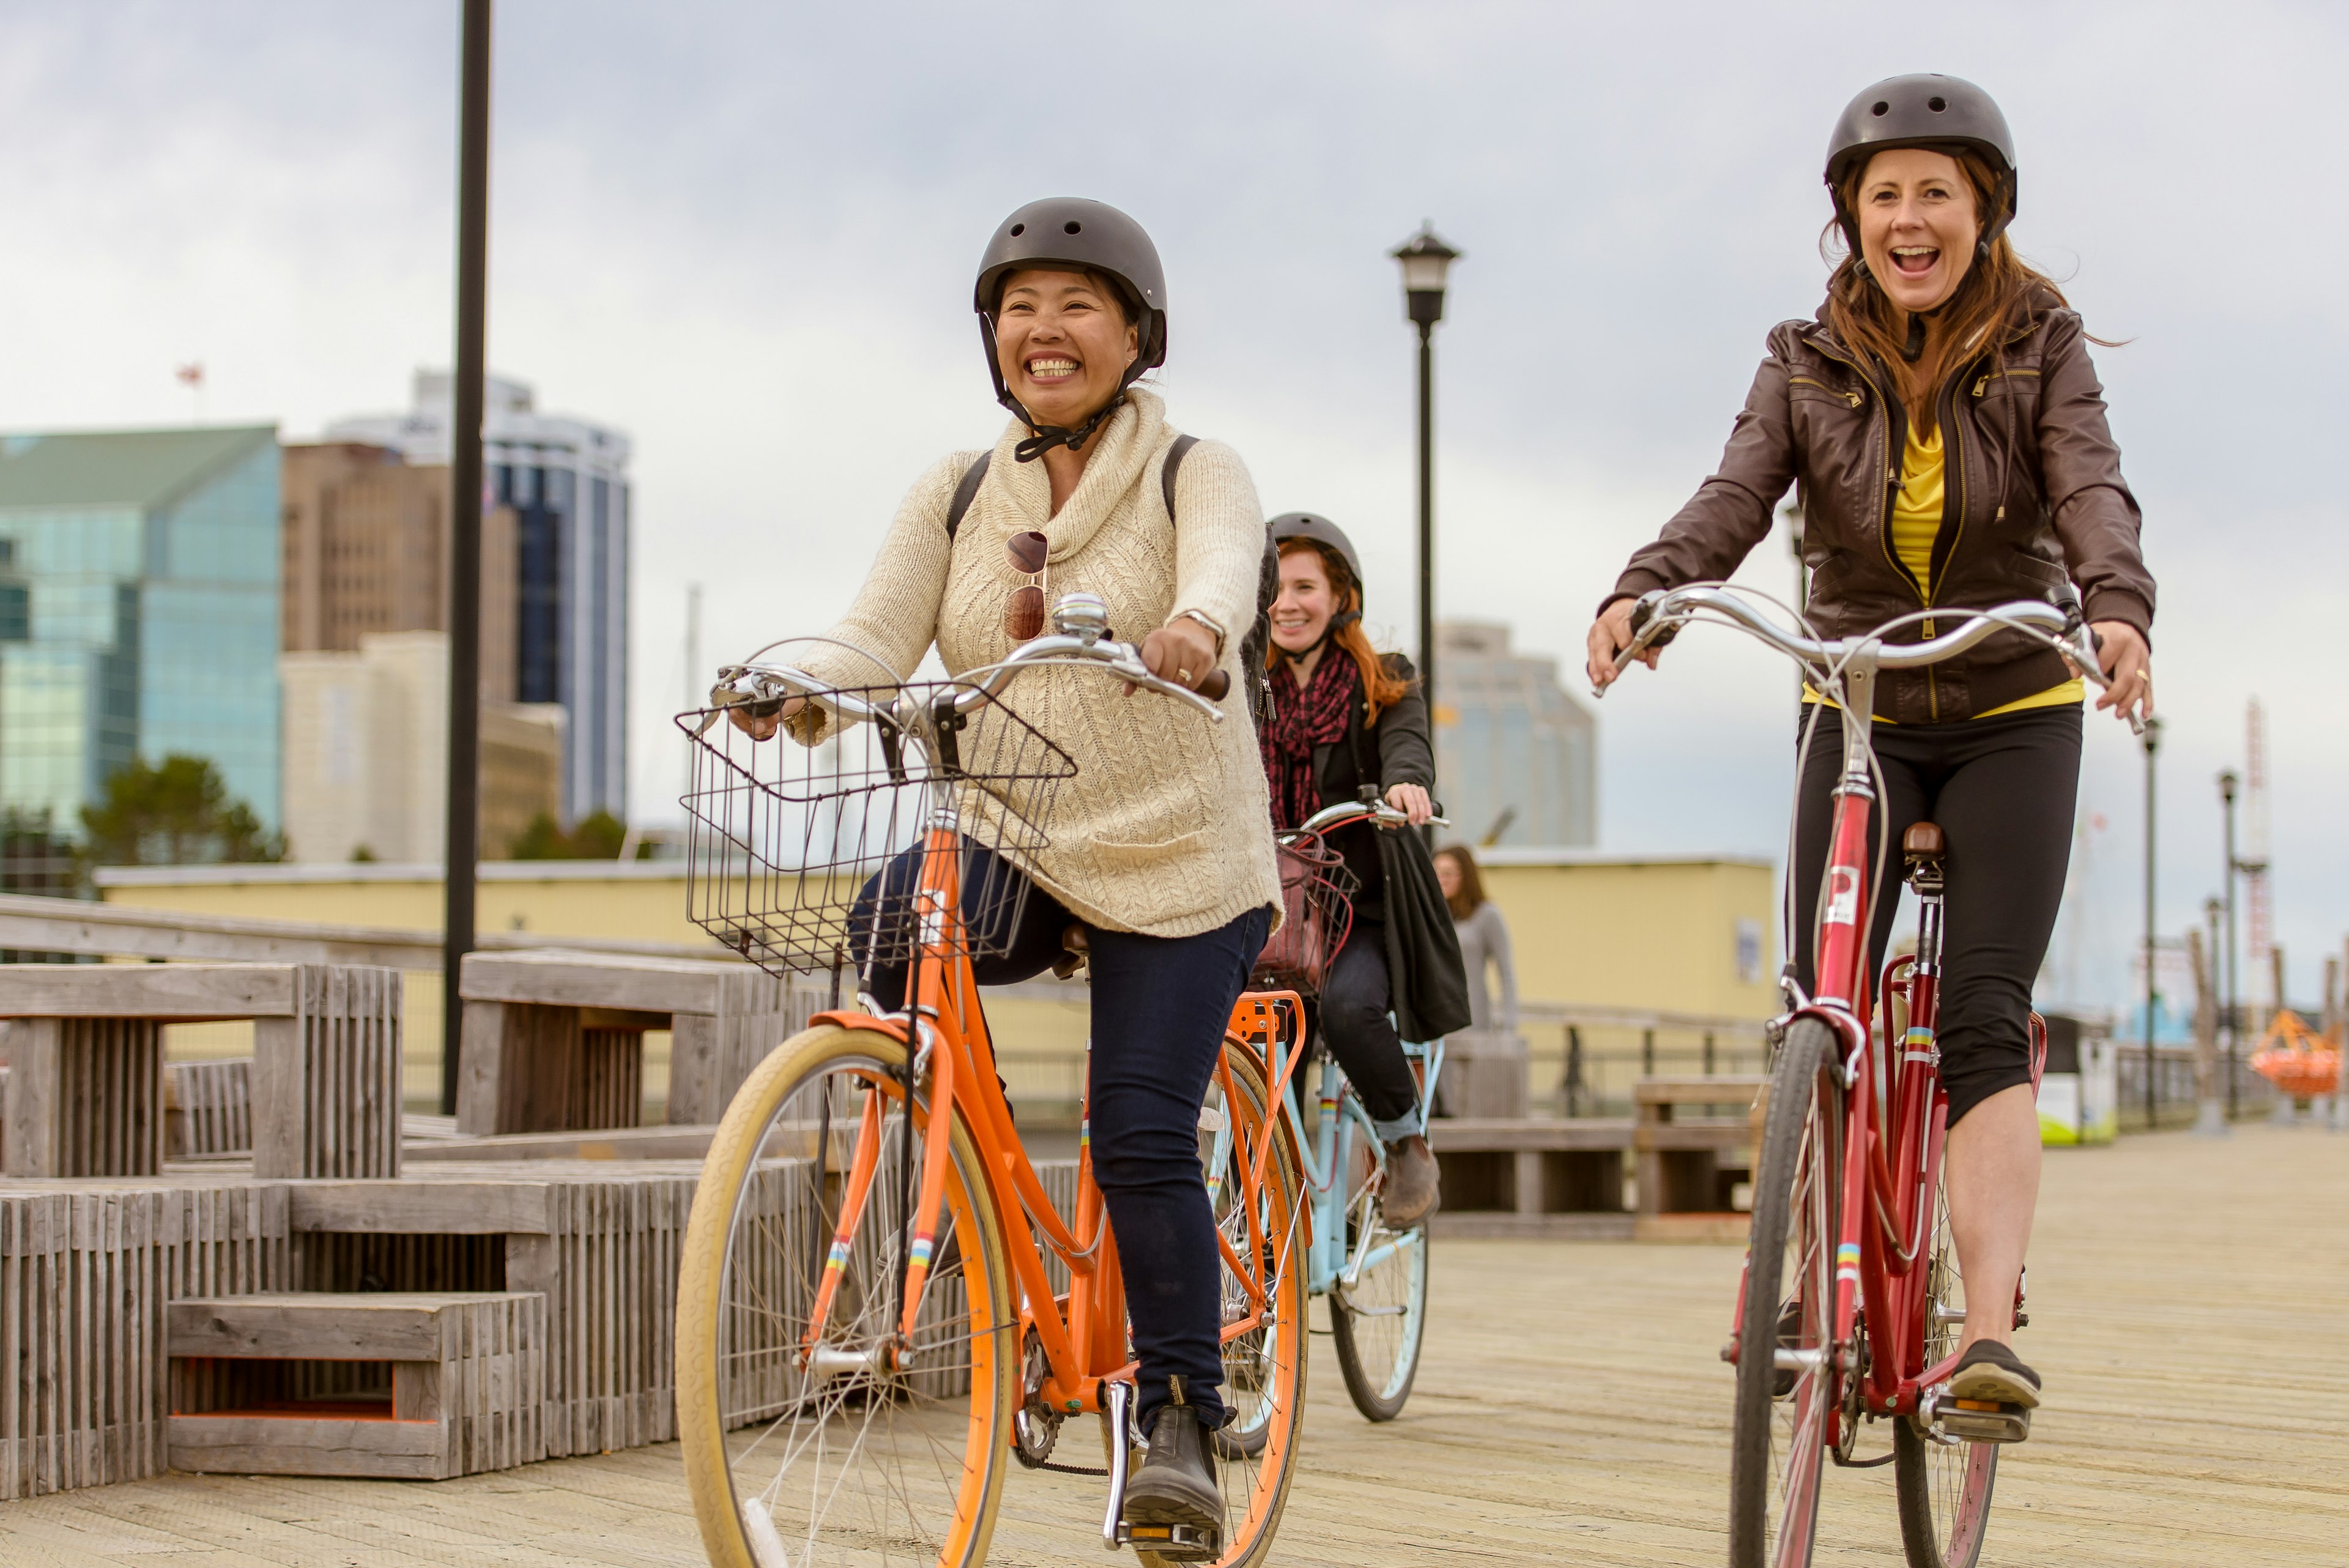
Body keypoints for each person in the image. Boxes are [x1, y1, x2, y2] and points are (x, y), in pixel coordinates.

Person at [1583, 75, 2154, 1419]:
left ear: (1984, 211)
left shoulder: (2043, 340)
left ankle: (1992, 1332)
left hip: (2014, 702)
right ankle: (1804, 1272)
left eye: (1935, 196)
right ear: (1849, 215)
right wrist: (1649, 587)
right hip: (1854, 706)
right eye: (1883, 195)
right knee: (1816, 1004)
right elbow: (1737, 490)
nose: (1909, 220)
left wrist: (2116, 606)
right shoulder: (1801, 355)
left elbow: (2089, 482)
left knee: (1982, 1018)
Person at [763, 197, 1280, 1537]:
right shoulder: (954, 488)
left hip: (1177, 850)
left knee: (1141, 1130)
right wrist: (794, 686)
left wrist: (1197, 625)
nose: (1043, 330)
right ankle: (964, 1203)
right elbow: (870, 631)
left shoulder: (1193, 468)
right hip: (1020, 832)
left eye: (1076, 306)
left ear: (1134, 334)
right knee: (890, 930)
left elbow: (1227, 566)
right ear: (992, 336)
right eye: (1019, 307)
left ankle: (1178, 1411)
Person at [1260, 512, 1469, 1226]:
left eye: (1304, 586)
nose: (1286, 603)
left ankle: (1404, 1142)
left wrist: (1408, 786)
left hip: (1356, 910)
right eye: (1274, 586)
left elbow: (1408, 745)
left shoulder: (1385, 683)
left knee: (1350, 1010)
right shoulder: (1245, 689)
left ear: (1340, 594)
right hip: (1273, 910)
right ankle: (1253, 1196)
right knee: (1247, 1040)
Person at [1434, 845, 1518, 1037]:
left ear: (1465, 876)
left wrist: (1509, 1028)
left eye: (1448, 874)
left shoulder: (1486, 915)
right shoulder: (1431, 917)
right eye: (1436, 873)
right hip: (1436, 1023)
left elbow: (1506, 972)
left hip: (1473, 1022)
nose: (1441, 880)